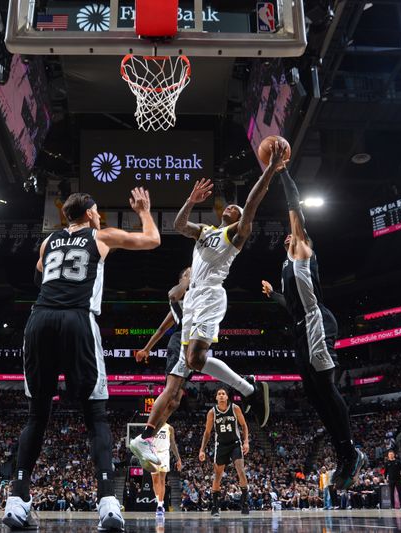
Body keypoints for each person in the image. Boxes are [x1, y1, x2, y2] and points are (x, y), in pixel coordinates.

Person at [2, 188, 161, 531]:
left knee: (37, 414)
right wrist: (144, 210)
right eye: (98, 210)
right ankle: (107, 503)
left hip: (40, 319)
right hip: (77, 319)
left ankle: (17, 499)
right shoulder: (100, 235)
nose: (100, 215)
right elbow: (153, 240)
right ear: (89, 214)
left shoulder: (48, 242)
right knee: (95, 414)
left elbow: (38, 275)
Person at [130, 142, 288, 470]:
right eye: (229, 206)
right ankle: (146, 437)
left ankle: (251, 389)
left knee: (196, 358)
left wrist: (270, 169)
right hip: (192, 302)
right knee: (176, 385)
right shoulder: (206, 231)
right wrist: (190, 200)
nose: (233, 207)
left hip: (211, 297)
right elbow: (178, 226)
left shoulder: (237, 235)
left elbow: (253, 200)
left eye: (238, 208)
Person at [260, 164, 366, 490]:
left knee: (326, 386)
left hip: (317, 321)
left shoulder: (302, 252)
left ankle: (349, 452)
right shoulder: (286, 267)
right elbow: (291, 306)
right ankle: (343, 453)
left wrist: (282, 173)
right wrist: (274, 295)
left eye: (295, 231)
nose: (290, 234)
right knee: (314, 395)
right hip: (300, 327)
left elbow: (294, 206)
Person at [134, 267, 191, 421]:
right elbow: (161, 329)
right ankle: (147, 435)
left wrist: (146, 350)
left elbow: (160, 330)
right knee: (171, 392)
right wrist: (146, 349)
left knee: (175, 402)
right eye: (189, 272)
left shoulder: (197, 295)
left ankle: (153, 436)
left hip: (193, 348)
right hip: (180, 343)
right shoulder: (179, 296)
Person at [198, 388, 251, 516]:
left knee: (241, 471)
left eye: (223, 394)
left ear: (227, 397)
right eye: (219, 394)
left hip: (235, 444)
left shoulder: (235, 408)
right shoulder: (212, 412)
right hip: (220, 445)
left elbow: (243, 425)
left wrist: (246, 441)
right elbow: (207, 432)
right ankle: (215, 506)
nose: (221, 396)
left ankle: (244, 504)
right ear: (216, 398)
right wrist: (202, 450)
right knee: (218, 476)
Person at [151, 422, 182, 518]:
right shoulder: (152, 425)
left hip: (164, 454)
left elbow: (173, 443)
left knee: (162, 480)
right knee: (155, 480)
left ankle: (160, 505)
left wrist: (178, 458)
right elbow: (145, 441)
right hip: (153, 453)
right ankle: (159, 502)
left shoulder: (169, 428)